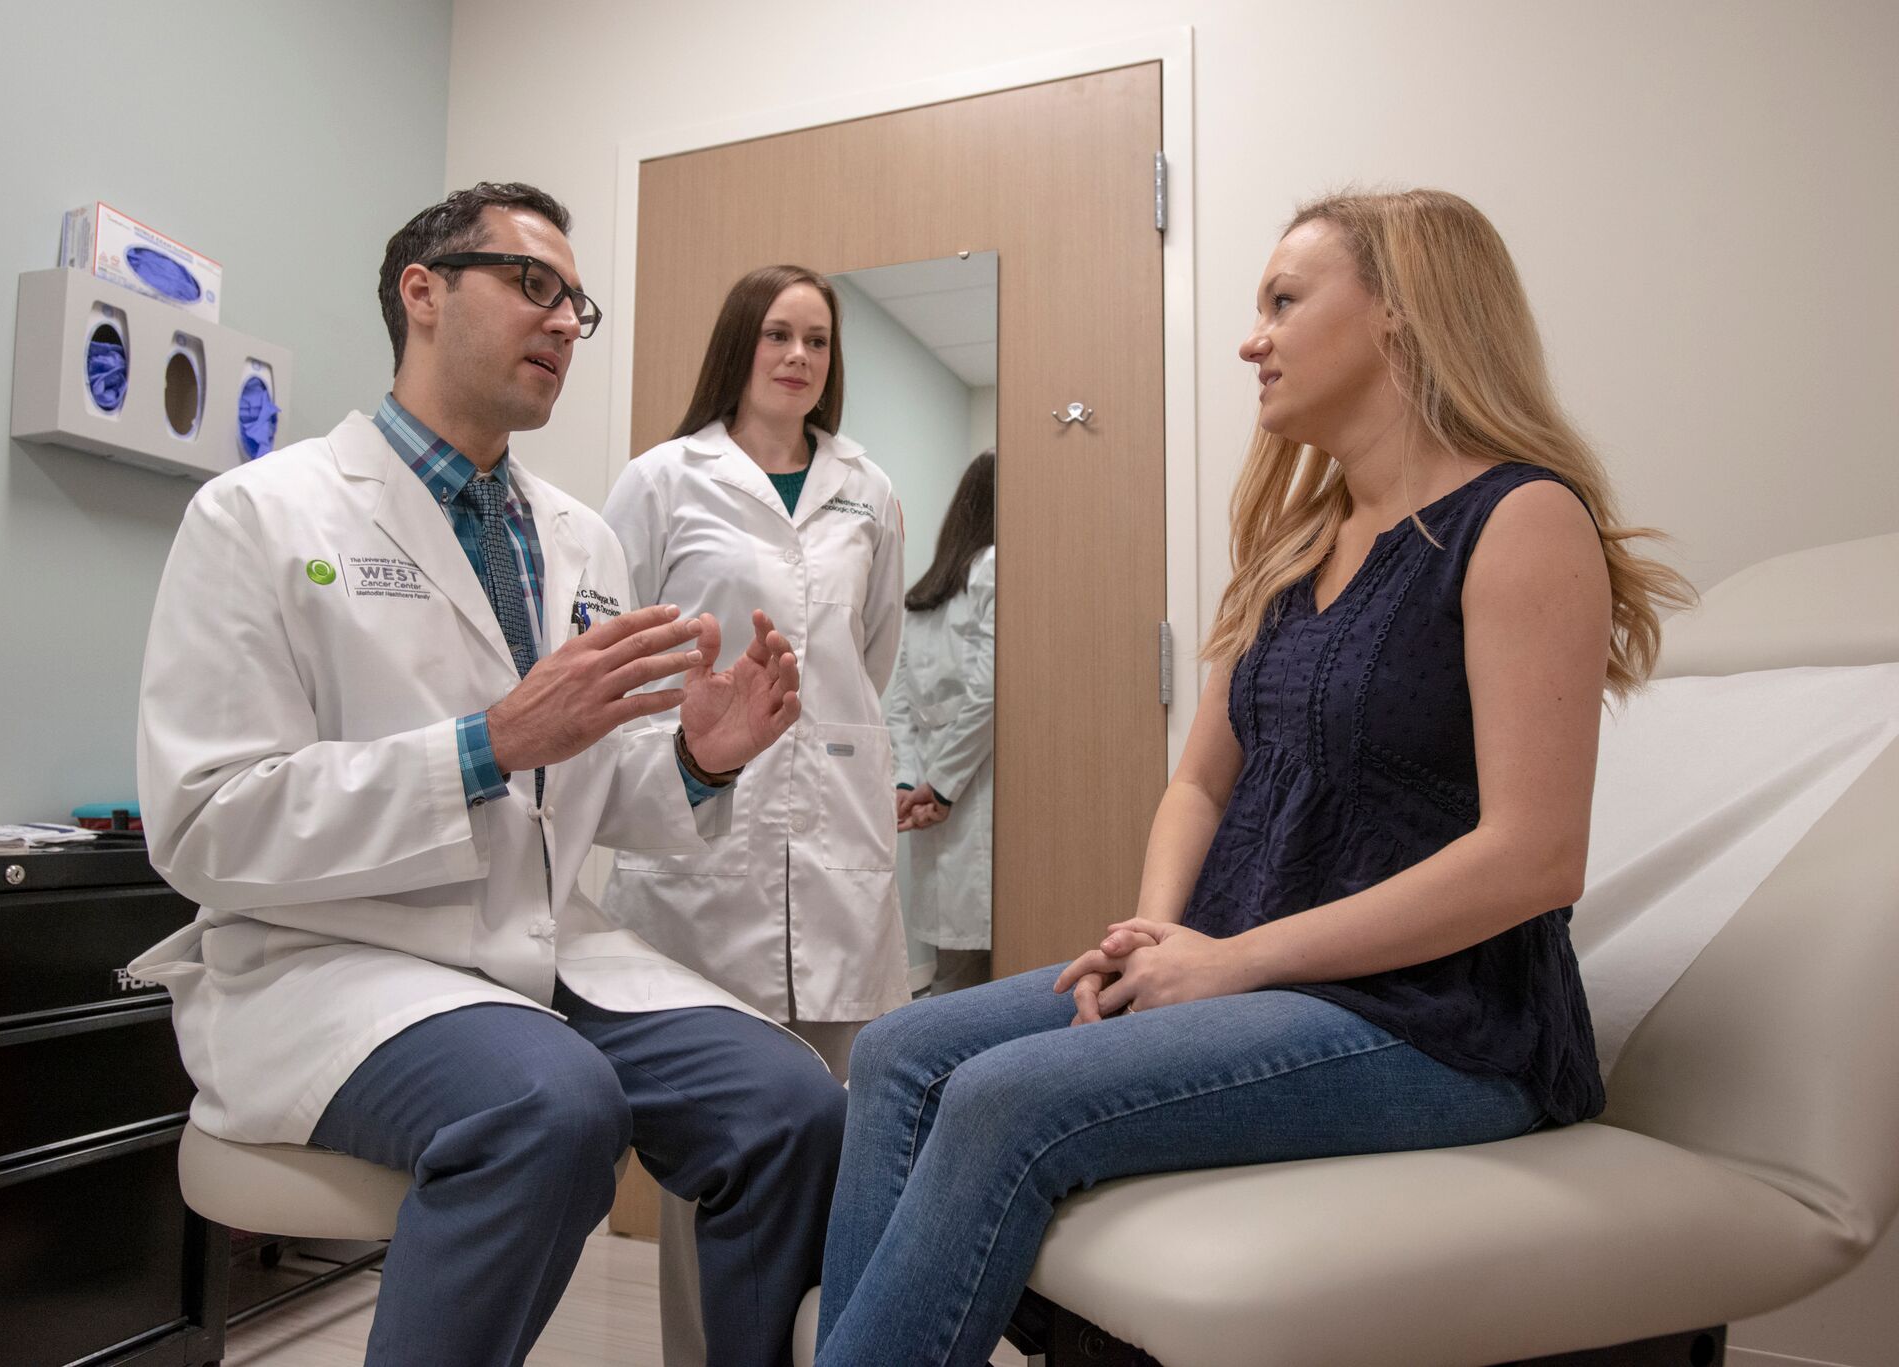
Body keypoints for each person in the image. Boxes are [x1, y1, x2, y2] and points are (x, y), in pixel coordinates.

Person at [812, 188, 1696, 1365]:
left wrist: (1229, 963)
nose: (1250, 338)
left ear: (1398, 316)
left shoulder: (1519, 519)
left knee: (999, 1097)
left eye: (1282, 301)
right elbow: (1196, 784)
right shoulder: (1290, 543)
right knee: (898, 1053)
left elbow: (1533, 855)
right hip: (1238, 966)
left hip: (1439, 1022)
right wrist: (1154, 934)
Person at [127, 183, 846, 1367]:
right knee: (547, 1103)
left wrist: (696, 760)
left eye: (577, 303)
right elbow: (203, 823)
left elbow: (591, 790)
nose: (564, 320)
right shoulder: (255, 514)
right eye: (533, 285)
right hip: (335, 957)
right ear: (422, 292)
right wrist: (486, 744)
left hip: (545, 949)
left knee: (793, 1107)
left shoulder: (578, 539)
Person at [602, 266, 908, 1367]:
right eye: (776, 333)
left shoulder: (868, 489)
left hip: (835, 839)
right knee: (721, 1140)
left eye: (817, 340)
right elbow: (618, 654)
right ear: (738, 344)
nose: (796, 355)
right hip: (703, 840)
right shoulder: (658, 480)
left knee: (845, 1134)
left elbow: (866, 655)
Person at [886, 449, 997, 995]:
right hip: (967, 791)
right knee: (977, 969)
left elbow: (899, 704)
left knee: (952, 966)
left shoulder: (925, 590)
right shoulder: (994, 567)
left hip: (935, 789)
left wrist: (910, 781)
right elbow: (989, 690)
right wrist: (941, 787)